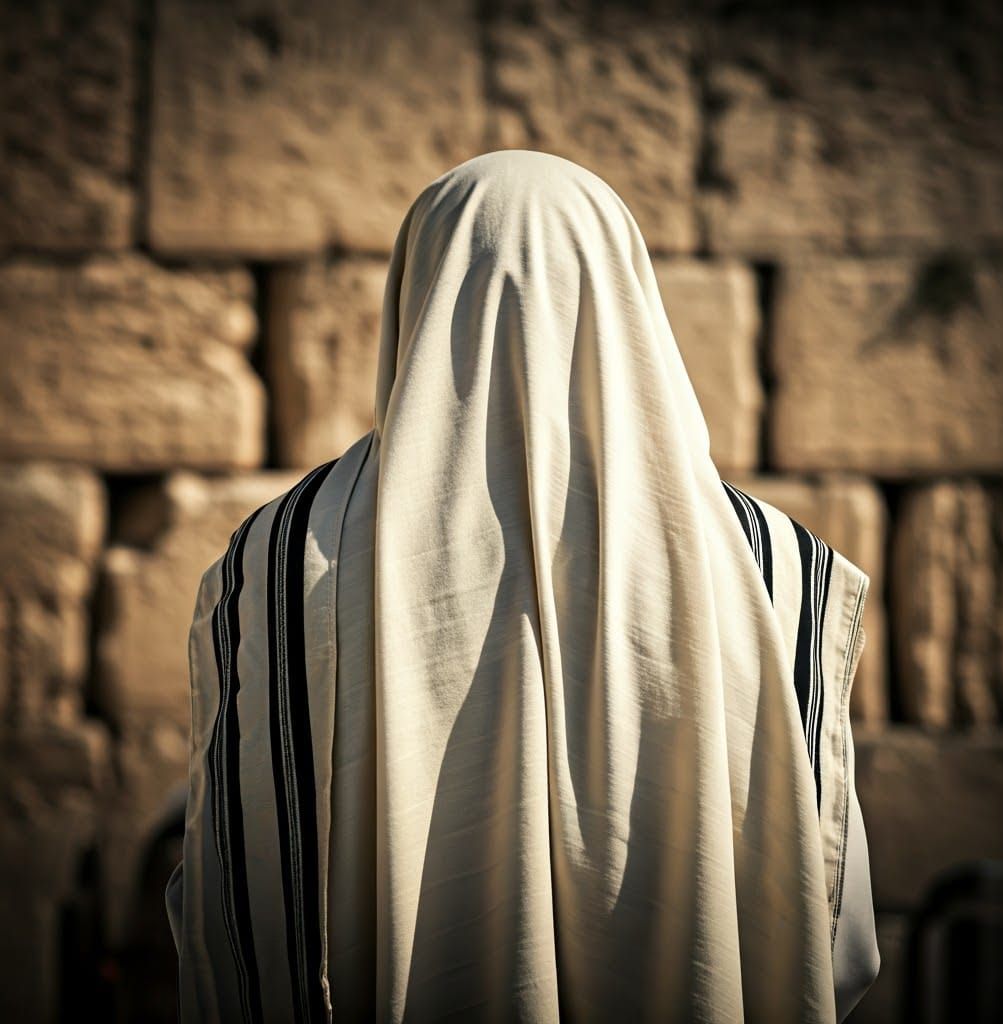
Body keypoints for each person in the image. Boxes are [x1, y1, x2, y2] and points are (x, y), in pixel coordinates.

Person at [165, 149, 880, 1022]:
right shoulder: (775, 564)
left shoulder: (283, 558)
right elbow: (833, 932)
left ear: (414, 296)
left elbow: (235, 901)